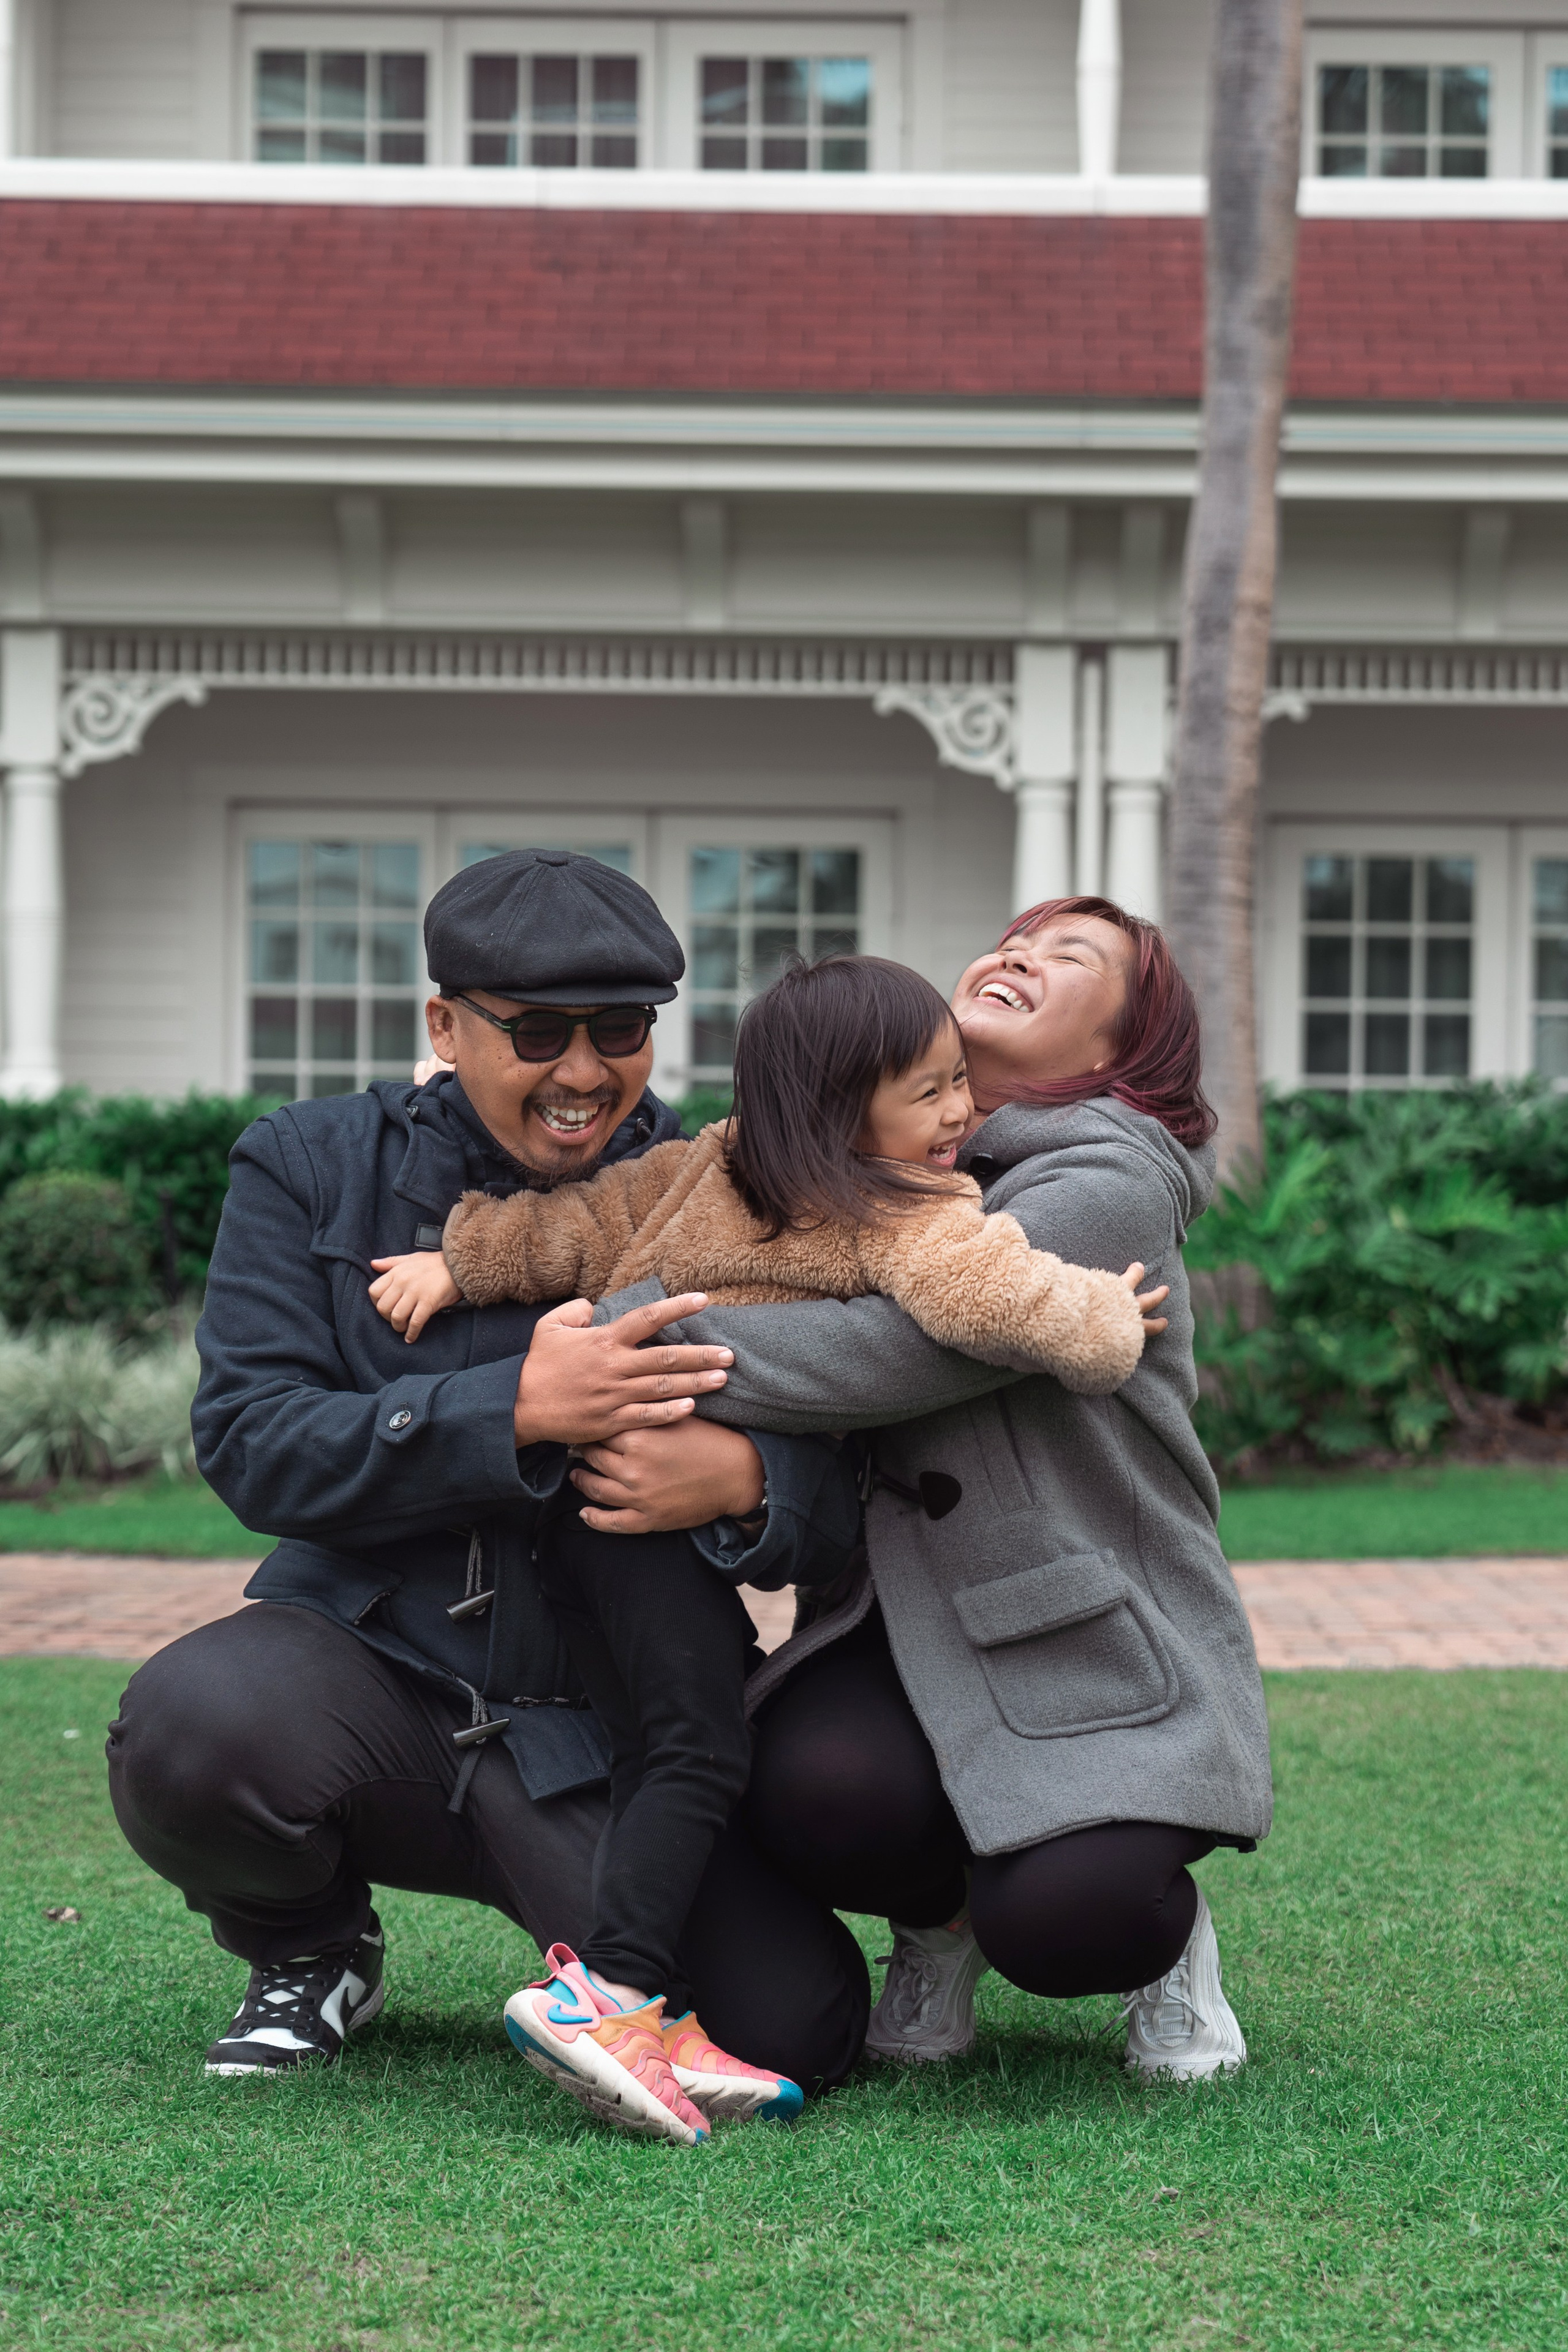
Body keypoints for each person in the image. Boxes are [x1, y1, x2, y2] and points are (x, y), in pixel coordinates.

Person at [105, 851, 868, 2107]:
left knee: (798, 2027)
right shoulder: (307, 1163)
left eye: (617, 1030)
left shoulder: (722, 1189)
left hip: (608, 1733)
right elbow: (251, 1440)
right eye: (536, 1033)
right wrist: (508, 1410)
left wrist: (742, 1480)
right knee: (192, 1728)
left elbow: (839, 1512)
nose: (583, 1073)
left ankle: (599, 1969)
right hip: (365, 1675)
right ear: (444, 1026)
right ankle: (310, 1950)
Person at [368, 954, 1166, 2144]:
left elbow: (581, 1227)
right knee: (699, 1752)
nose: (959, 1115)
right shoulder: (908, 1208)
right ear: (845, 1109)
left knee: (659, 1750)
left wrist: (460, 1256)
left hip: (575, 1514)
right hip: (645, 1522)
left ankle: (648, 2006)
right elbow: (997, 1304)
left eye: (959, 1085)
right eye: (931, 1090)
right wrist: (1111, 1321)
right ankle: (609, 1996)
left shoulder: (710, 1160)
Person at [603, 897, 1273, 2081]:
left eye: (1073, 957)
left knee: (1071, 1922)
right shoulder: (871, 1154)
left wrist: (639, 1336)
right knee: (805, 1795)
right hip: (898, 1618)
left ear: (1122, 1051)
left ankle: (1165, 1947)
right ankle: (943, 1922)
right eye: (1017, 937)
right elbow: (690, 1218)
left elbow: (894, 1354)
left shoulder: (1108, 1174)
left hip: (1092, 1624)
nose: (1020, 953)